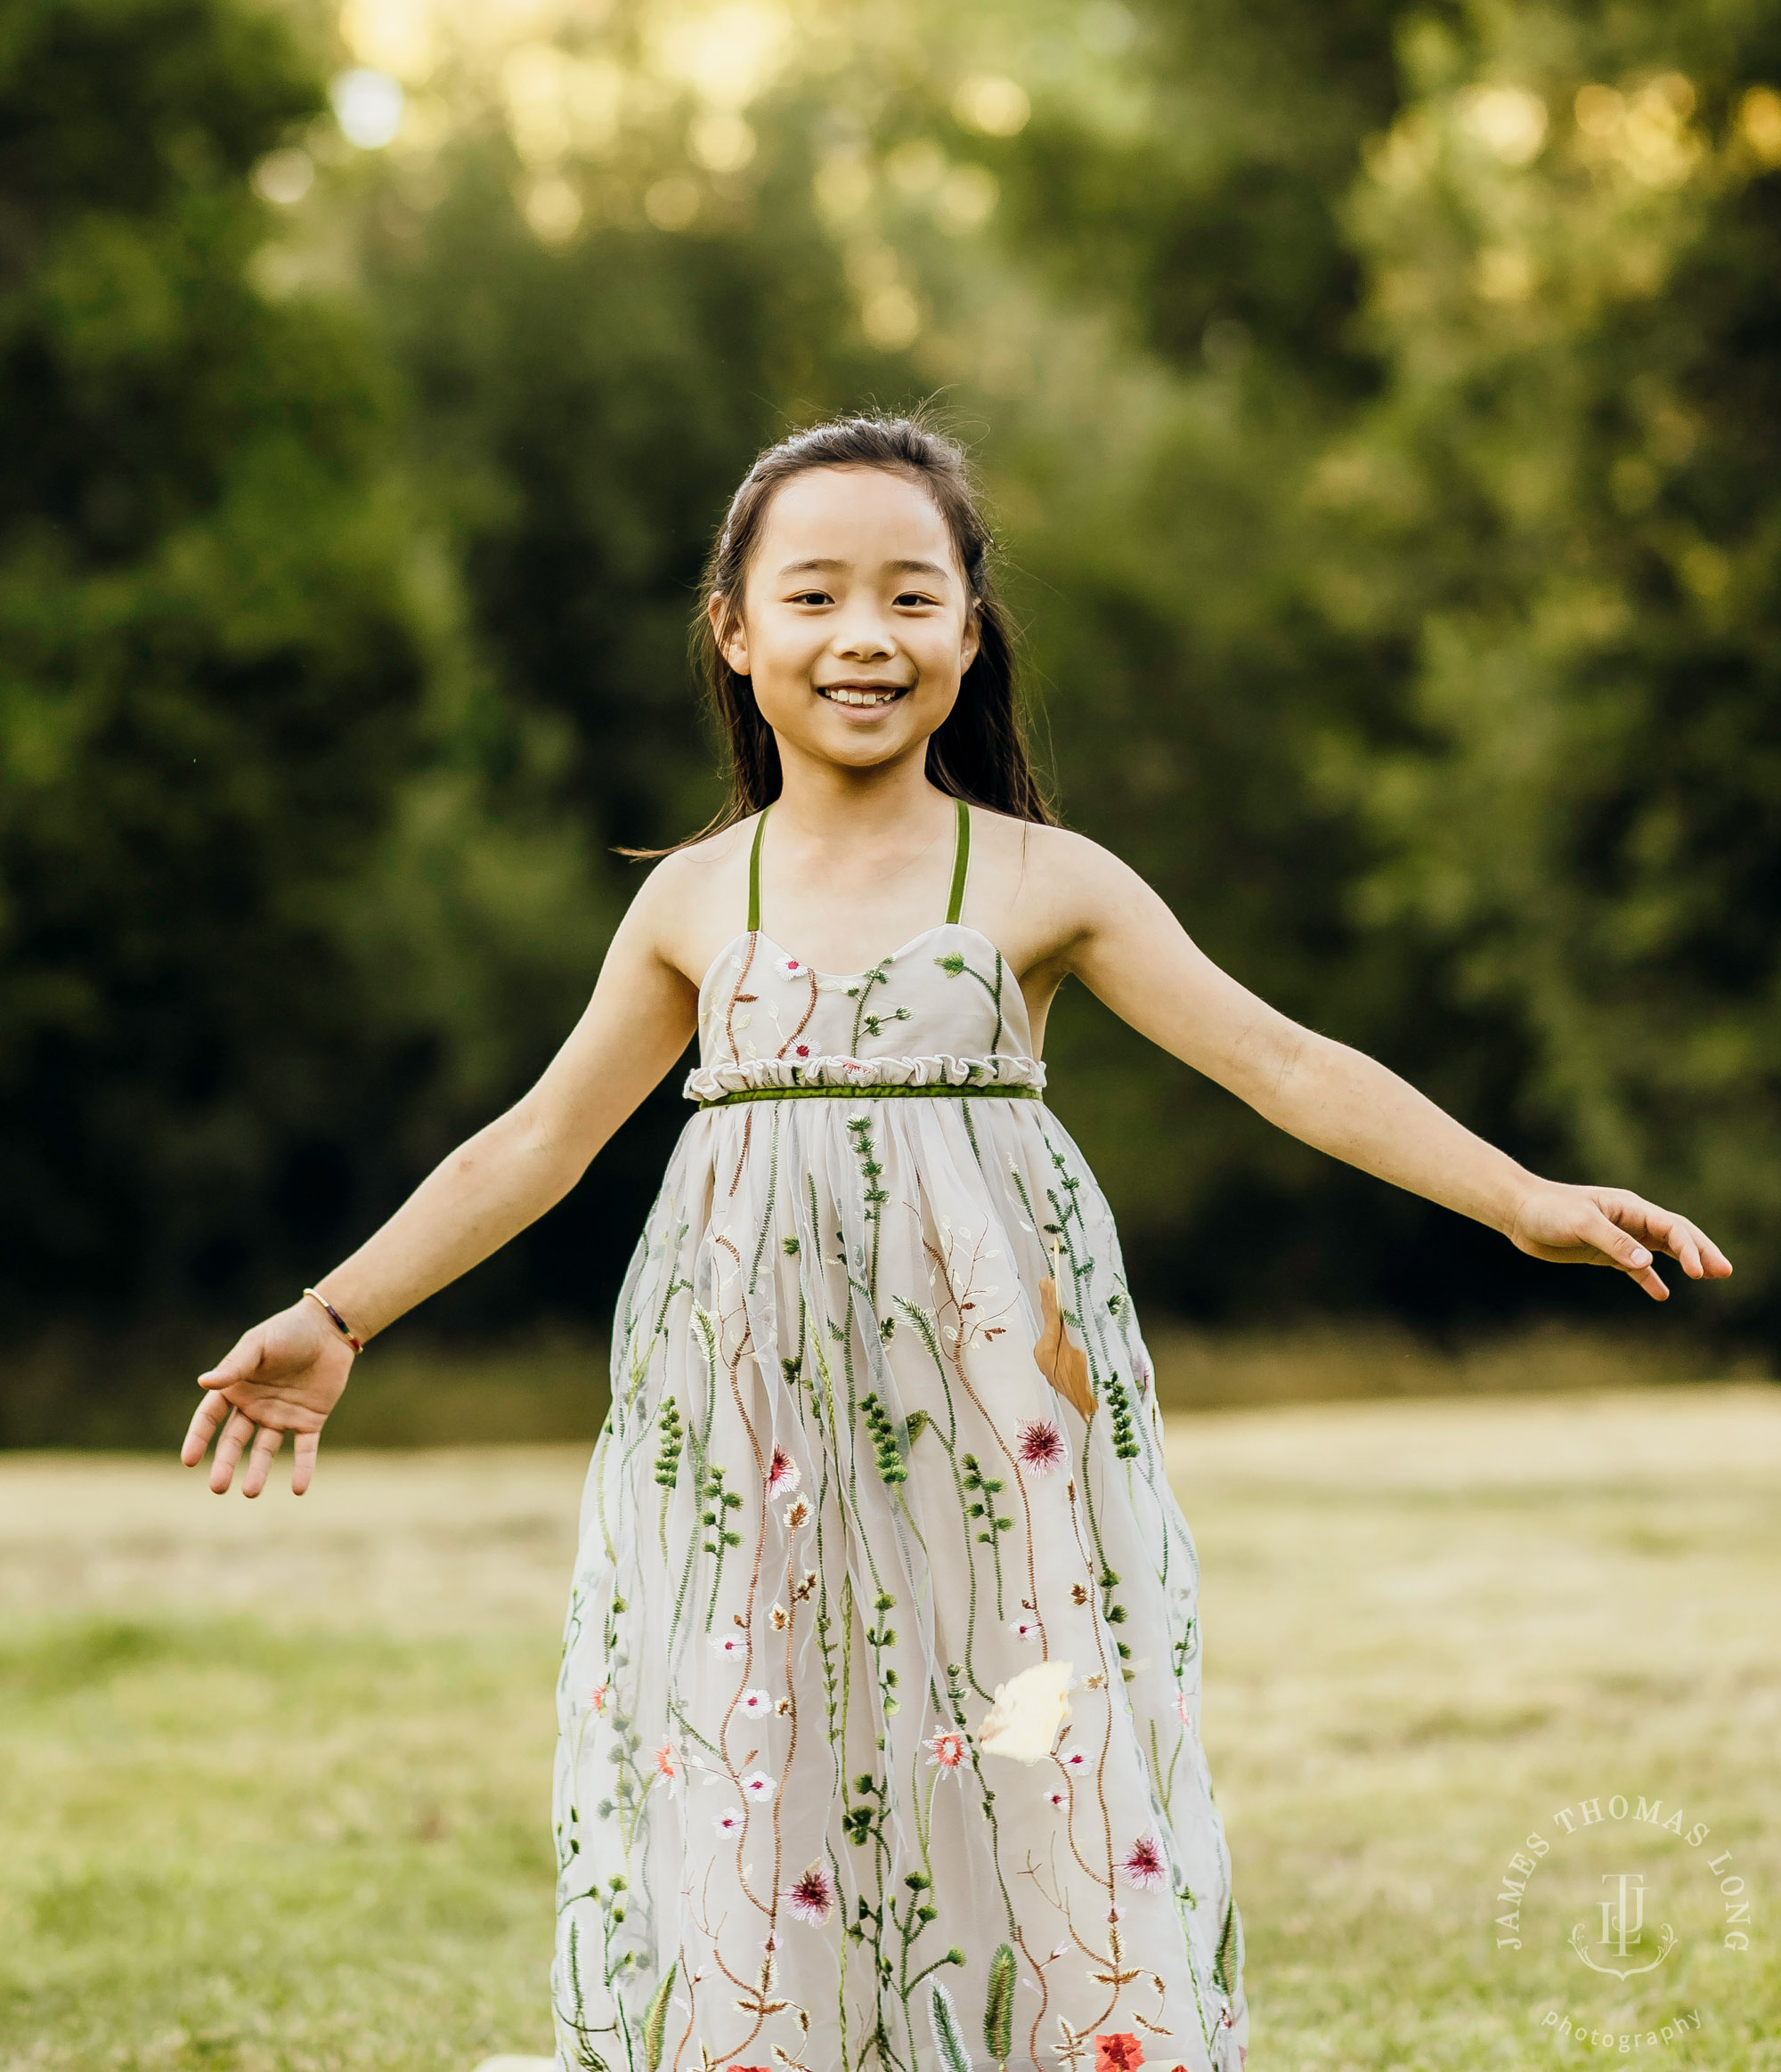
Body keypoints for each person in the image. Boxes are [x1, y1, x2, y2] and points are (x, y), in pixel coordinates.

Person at [183, 413, 1730, 2072]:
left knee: (1017, 1718)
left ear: (970, 632)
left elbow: (1286, 1061)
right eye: (816, 597)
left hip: (992, 1424)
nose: (866, 637)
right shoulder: (698, 901)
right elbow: (537, 1142)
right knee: (763, 1725)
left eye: (914, 598)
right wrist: (337, 1313)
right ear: (736, 629)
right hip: (750, 1421)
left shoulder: (1048, 882)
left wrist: (1526, 1200)